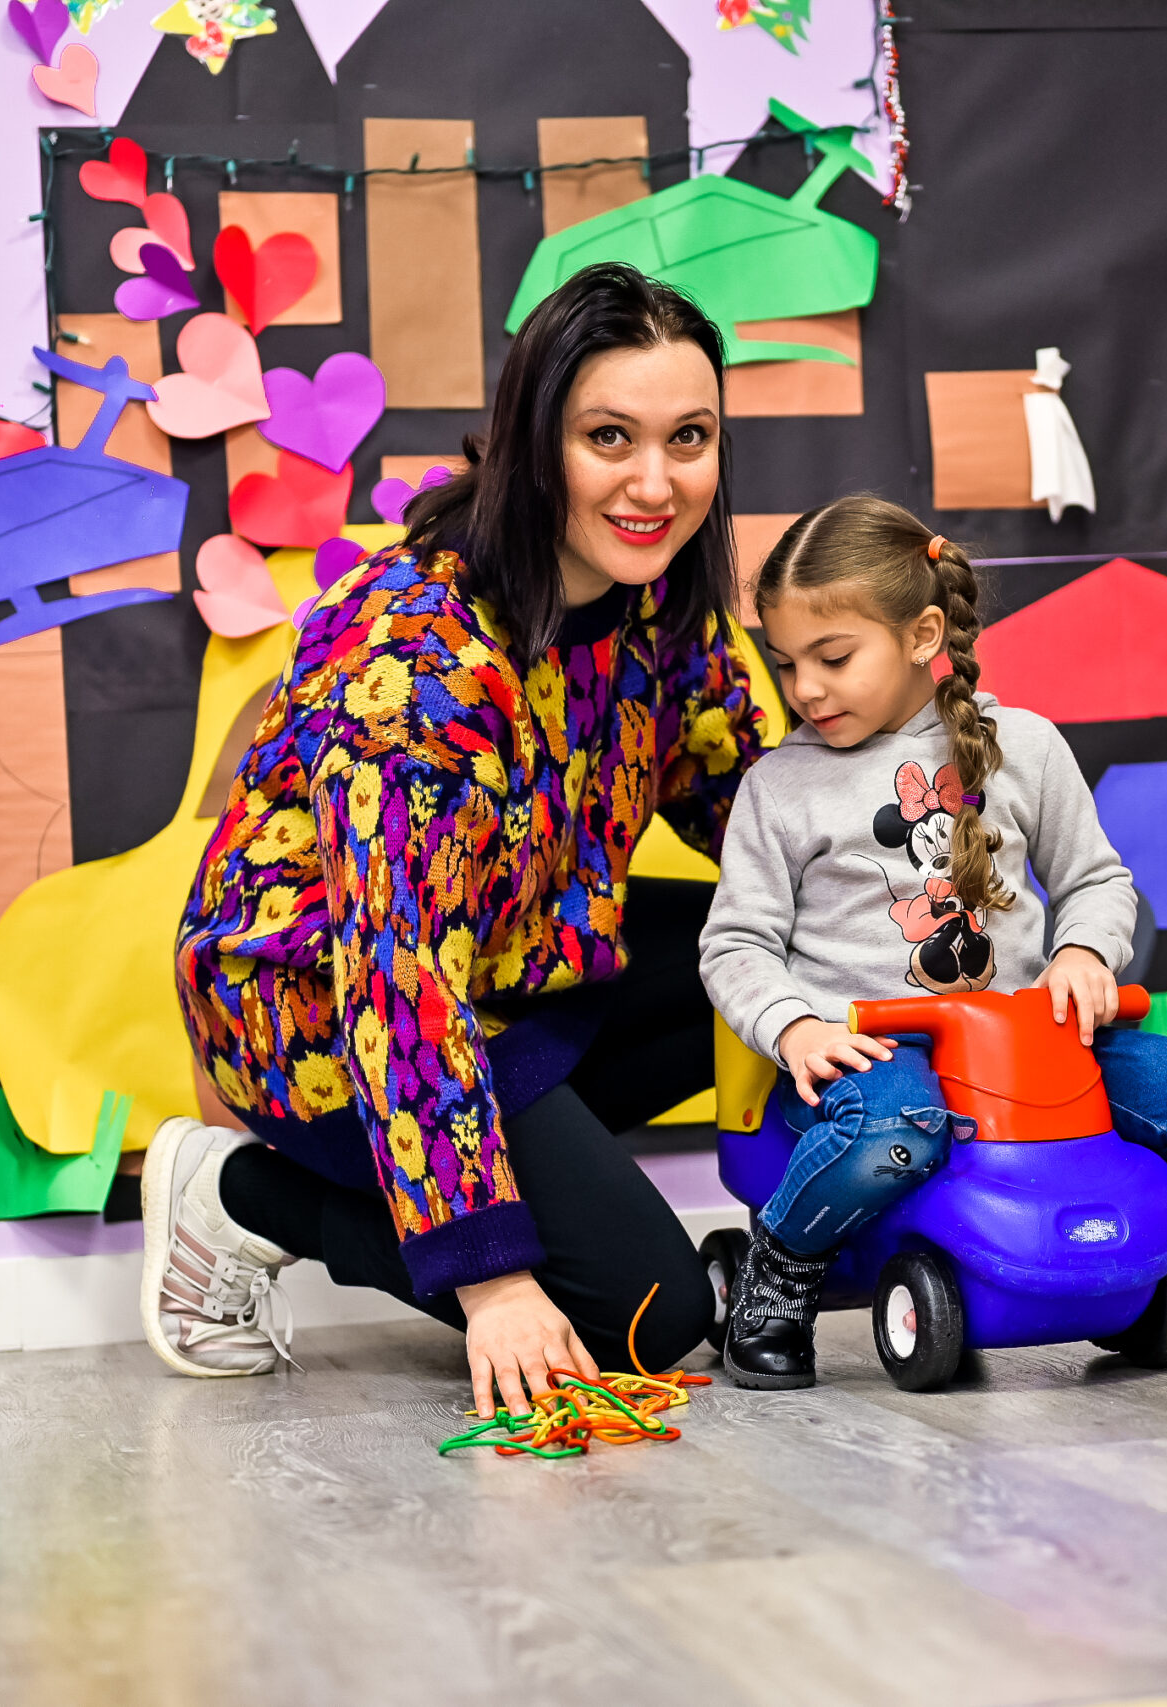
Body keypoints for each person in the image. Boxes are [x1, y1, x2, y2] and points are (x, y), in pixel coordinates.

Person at [156, 262, 768, 1417]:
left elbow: (744, 805)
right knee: (649, 1318)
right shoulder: (416, 660)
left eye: (688, 437)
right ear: (539, 446)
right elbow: (393, 971)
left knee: (762, 949)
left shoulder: (663, 601)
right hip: (321, 1005)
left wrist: (906, 892)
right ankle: (236, 1194)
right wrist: (491, 1281)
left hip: (517, 955)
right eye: (609, 438)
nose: (655, 482)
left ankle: (539, 1169)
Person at [698, 495, 1167, 1389]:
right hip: (872, 1055)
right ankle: (783, 1263)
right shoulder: (782, 784)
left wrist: (1083, 954)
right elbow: (735, 944)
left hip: (1029, 1056)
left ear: (924, 632)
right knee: (897, 1126)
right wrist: (795, 1028)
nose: (804, 688)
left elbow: (1096, 883)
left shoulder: (1025, 746)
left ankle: (1081, 1244)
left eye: (833, 657)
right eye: (787, 662)